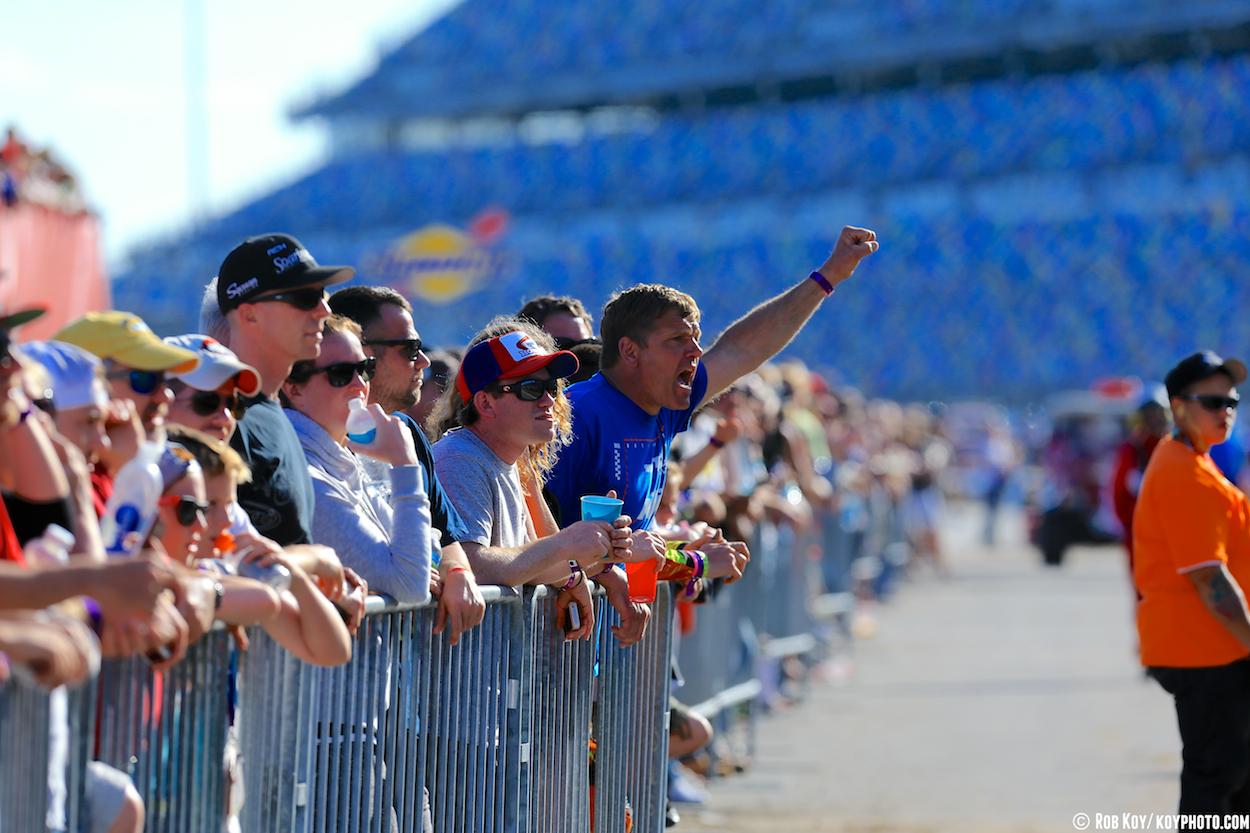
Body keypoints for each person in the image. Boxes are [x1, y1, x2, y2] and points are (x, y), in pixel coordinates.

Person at [547, 226, 879, 596]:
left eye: (696, 340)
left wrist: (829, 276)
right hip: (552, 643)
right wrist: (695, 563)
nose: (694, 353)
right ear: (630, 352)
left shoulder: (663, 406)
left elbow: (741, 350)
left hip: (605, 643)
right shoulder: (576, 415)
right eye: (677, 340)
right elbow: (545, 540)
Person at [429, 318, 648, 640]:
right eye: (530, 388)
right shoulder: (460, 458)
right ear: (485, 403)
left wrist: (594, 559)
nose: (548, 401)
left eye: (551, 387)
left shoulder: (511, 460)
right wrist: (565, 544)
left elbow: (532, 565)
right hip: (454, 675)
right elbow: (472, 564)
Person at [328, 286, 485, 640]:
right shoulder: (320, 441)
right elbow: (402, 576)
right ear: (362, 353)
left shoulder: (408, 432)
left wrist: (458, 572)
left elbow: (447, 538)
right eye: (411, 349)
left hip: (404, 671)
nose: (424, 362)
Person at [1134, 351, 1250, 813]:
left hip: (1208, 646)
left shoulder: (1190, 460)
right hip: (1208, 649)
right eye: (1212, 401)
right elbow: (1209, 580)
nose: (1225, 411)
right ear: (1179, 406)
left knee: (1229, 777)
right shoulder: (1187, 474)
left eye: (1232, 401)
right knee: (1217, 779)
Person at [281, 315, 433, 605]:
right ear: (294, 388)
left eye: (364, 369)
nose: (359, 386)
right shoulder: (310, 479)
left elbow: (429, 557)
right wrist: (405, 465)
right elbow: (411, 586)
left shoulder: (342, 460)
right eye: (340, 373)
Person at [212, 233, 352, 547]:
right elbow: (218, 560)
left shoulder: (271, 410)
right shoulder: (217, 413)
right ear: (249, 313)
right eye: (304, 297)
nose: (323, 310)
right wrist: (315, 562)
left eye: (322, 294)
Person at [1111, 386, 1170, 580]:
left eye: (1158, 413)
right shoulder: (1131, 451)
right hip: (1139, 537)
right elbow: (1119, 494)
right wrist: (1131, 527)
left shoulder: (1175, 449)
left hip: (1171, 537)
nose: (1154, 419)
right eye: (1149, 414)